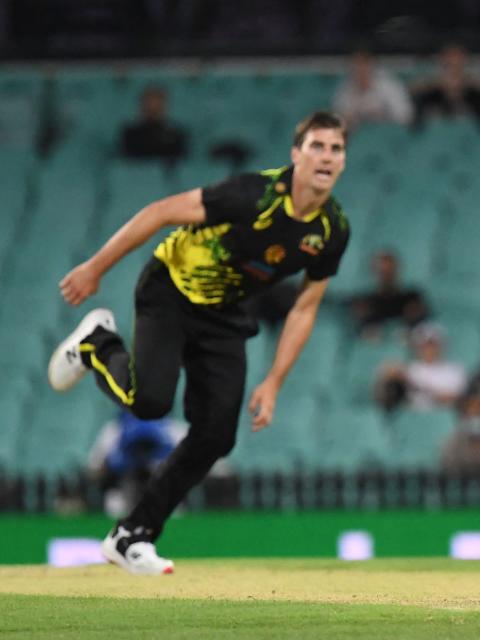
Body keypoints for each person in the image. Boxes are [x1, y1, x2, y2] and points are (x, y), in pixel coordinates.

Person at [48, 111, 351, 575]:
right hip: (171, 289)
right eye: (317, 146)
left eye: (336, 149)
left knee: (216, 435)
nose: (327, 157)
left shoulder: (330, 231)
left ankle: (132, 534)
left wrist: (273, 381)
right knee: (149, 402)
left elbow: (305, 307)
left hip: (226, 316)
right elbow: (161, 212)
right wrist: (95, 268)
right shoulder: (252, 195)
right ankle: (97, 343)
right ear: (296, 154)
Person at [374, 322, 467, 412]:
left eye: (432, 344)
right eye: (422, 345)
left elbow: (453, 399)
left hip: (441, 419)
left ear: (441, 345)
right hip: (410, 417)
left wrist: (414, 383)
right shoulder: (409, 369)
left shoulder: (454, 370)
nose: (427, 349)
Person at [349, 250, 430, 339]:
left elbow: (424, 328)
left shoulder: (412, 298)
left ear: (397, 269)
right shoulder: (365, 302)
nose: (386, 274)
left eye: (390, 269)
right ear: (373, 271)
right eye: (382, 270)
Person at [411, 44, 480, 128]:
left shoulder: (473, 75)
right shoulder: (434, 77)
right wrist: (438, 84)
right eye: (450, 56)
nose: (454, 61)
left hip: (468, 116)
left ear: (465, 59)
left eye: (457, 57)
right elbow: (412, 90)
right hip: (440, 115)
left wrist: (465, 82)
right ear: (442, 59)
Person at [333, 50, 414, 128]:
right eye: (356, 66)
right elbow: (339, 120)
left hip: (388, 134)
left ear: (371, 66)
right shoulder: (345, 90)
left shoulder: (389, 85)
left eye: (364, 65)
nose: (360, 71)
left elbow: (406, 116)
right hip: (361, 138)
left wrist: (383, 116)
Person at [120, 86, 188, 162]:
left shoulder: (175, 135)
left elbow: (181, 162)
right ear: (142, 107)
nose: (153, 112)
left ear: (164, 108)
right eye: (149, 108)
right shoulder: (130, 135)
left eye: (156, 109)